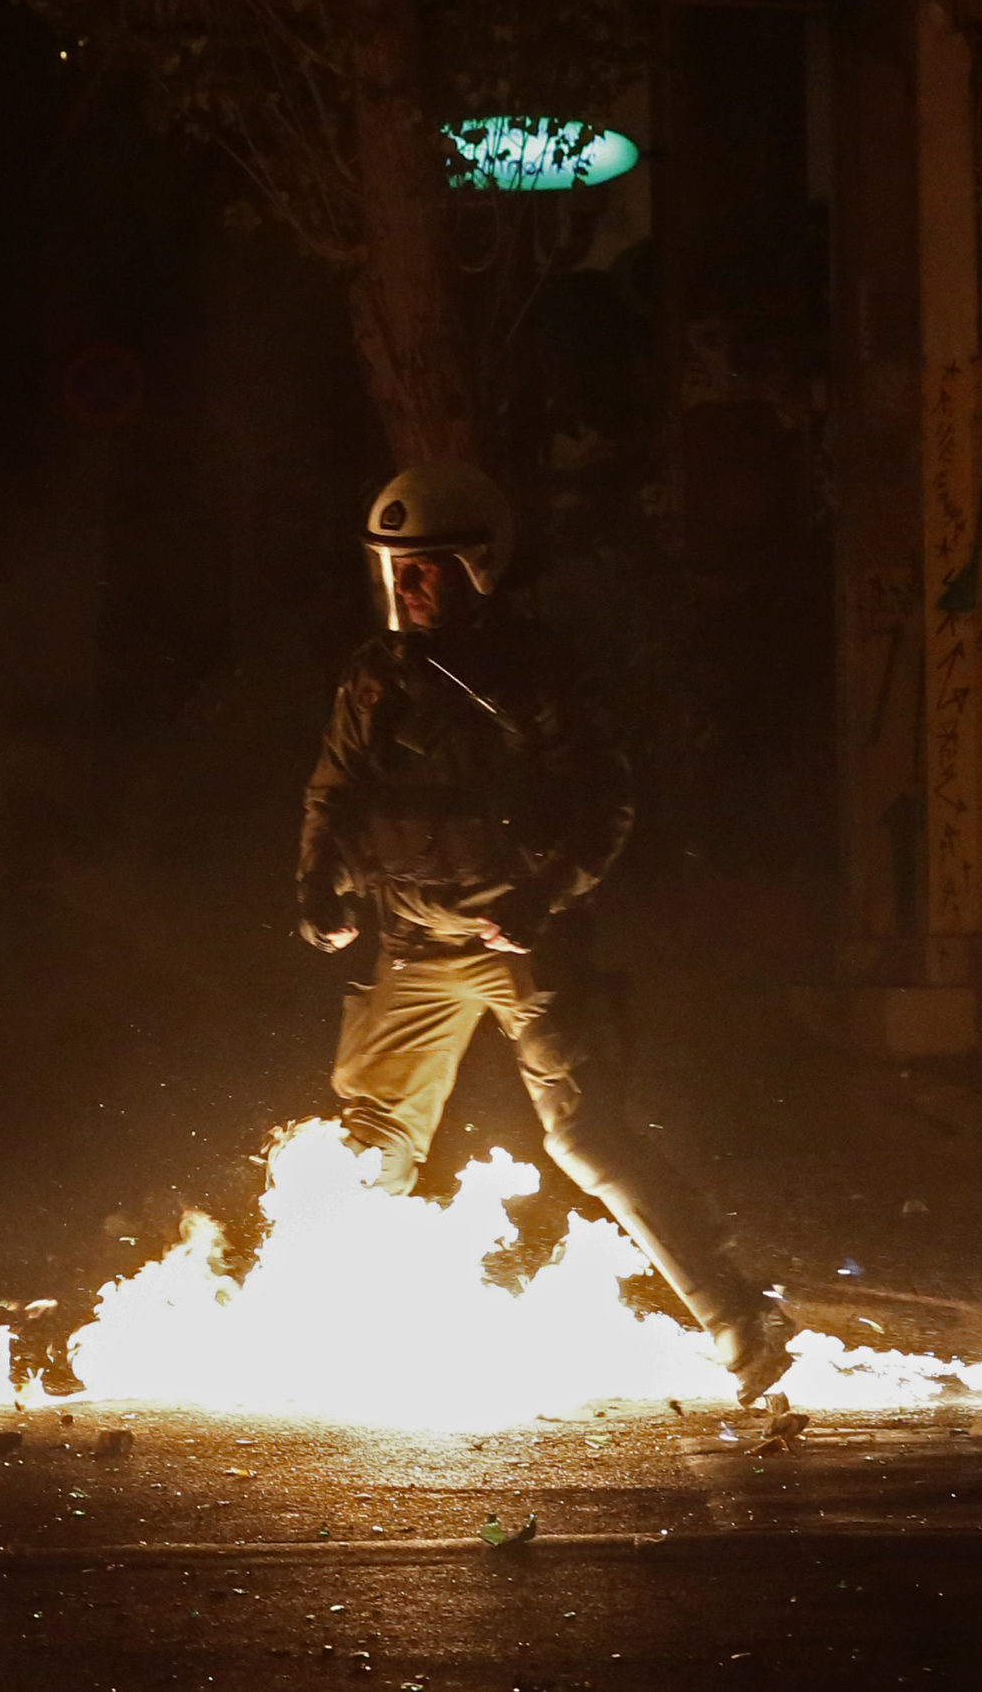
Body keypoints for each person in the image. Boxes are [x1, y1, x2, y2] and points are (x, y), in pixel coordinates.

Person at [296, 460, 794, 1404]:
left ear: (480, 564)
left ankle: (740, 1315)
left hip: (515, 936)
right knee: (371, 1145)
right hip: (411, 940)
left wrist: (541, 897)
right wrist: (320, 883)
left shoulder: (536, 670)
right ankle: (337, 1331)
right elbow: (335, 790)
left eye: (430, 566)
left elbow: (607, 800)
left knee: (586, 1134)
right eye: (397, 567)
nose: (409, 585)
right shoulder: (373, 680)